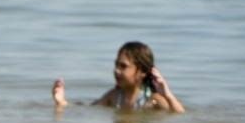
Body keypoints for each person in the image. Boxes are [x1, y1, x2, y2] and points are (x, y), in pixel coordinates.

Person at [52, 41, 185, 113]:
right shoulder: (114, 96)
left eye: (123, 66)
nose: (116, 71)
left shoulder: (152, 100)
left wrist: (167, 94)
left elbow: (179, 115)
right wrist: (62, 102)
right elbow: (90, 108)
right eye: (116, 65)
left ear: (143, 72)